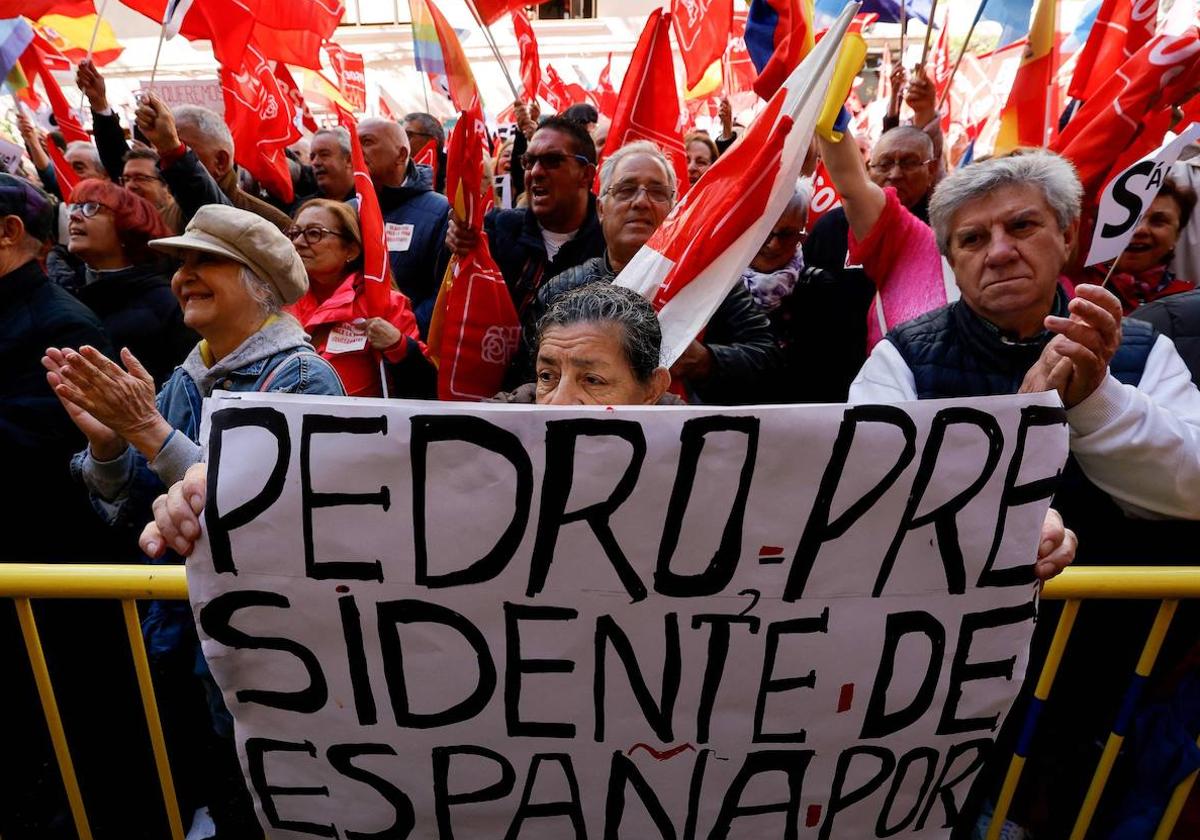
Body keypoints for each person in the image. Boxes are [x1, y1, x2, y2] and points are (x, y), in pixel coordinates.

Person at [848, 150, 1200, 836]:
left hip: (1111, 684)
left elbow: (1190, 488)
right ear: (949, 259)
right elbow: (869, 503)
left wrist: (1096, 399)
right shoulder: (900, 360)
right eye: (973, 239)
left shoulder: (1146, 350)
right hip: (946, 694)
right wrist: (1014, 465)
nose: (1000, 252)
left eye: (1022, 227)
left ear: (1067, 237)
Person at [43, 204, 344, 838]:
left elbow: (262, 507)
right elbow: (127, 509)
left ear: (260, 281)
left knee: (265, 786)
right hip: (181, 627)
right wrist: (108, 444)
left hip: (264, 637)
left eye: (208, 261)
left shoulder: (304, 378)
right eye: (182, 262)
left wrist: (150, 432)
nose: (185, 276)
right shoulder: (188, 372)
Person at [535, 140, 781, 404]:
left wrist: (704, 361)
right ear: (601, 209)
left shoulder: (711, 281)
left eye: (657, 192)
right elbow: (533, 379)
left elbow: (768, 358)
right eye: (626, 190)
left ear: (675, 209)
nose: (641, 202)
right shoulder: (562, 289)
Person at [445, 116, 605, 326]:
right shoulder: (495, 231)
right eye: (529, 162)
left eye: (552, 160)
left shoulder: (609, 245)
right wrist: (456, 246)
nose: (536, 172)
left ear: (586, 174)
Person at [813, 127, 952, 350]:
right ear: (868, 170)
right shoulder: (831, 226)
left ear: (932, 169)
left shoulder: (951, 227)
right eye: (885, 164)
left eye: (908, 163)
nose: (895, 174)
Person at [286, 198, 432, 398]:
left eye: (314, 233)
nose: (298, 243)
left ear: (351, 250)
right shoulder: (277, 298)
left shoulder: (383, 304)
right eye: (294, 233)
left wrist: (398, 346)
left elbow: (426, 387)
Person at [64, 179, 196, 386]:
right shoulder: (64, 289)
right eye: (75, 207)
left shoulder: (167, 302)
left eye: (91, 208)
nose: (74, 215)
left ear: (128, 226)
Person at [132, 94, 292, 231]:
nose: (164, 163)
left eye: (185, 149)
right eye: (159, 151)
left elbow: (215, 216)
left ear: (220, 161)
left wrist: (173, 150)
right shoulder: (161, 220)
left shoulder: (271, 223)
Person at [358, 117, 451, 331]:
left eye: (367, 142)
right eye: (353, 142)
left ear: (401, 155)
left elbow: (443, 293)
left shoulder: (440, 212)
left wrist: (402, 333)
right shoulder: (348, 209)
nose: (356, 151)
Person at [1086, 175, 1197, 314]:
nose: (1140, 230)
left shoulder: (1190, 302)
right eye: (1127, 217)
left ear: (1177, 234)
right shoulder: (1068, 289)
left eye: (1158, 221)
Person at [120, 147, 178, 224]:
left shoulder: (182, 217)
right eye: (126, 179)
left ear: (166, 185)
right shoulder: (122, 224)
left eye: (140, 178)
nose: (130, 185)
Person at [305, 127, 357, 203]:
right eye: (312, 157)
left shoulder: (371, 202)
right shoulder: (305, 208)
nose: (315, 162)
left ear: (348, 160)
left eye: (324, 155)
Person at [404, 112, 447, 193]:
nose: (403, 140)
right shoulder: (396, 170)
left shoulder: (453, 170)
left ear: (432, 140)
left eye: (409, 135)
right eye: (402, 134)